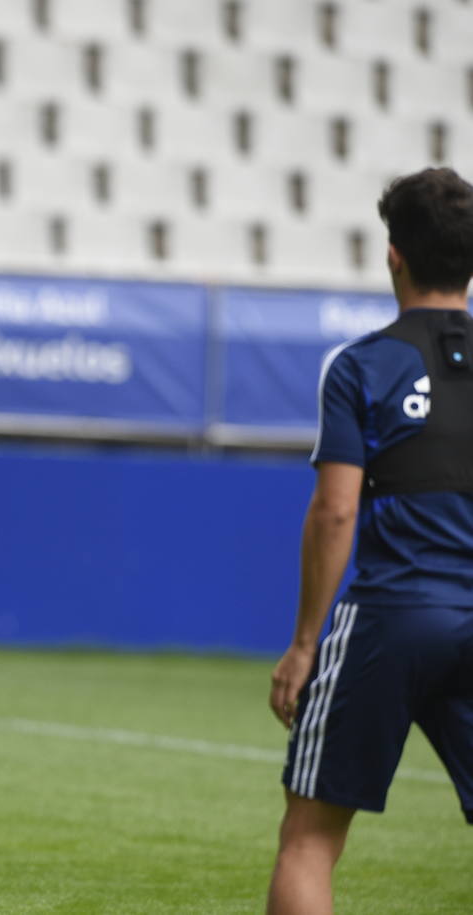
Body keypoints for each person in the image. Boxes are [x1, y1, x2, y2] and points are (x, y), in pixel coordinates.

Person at [266, 167, 473, 914]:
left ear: (394, 255)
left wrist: (303, 642)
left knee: (309, 840)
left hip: (390, 611)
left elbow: (335, 511)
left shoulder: (361, 366)